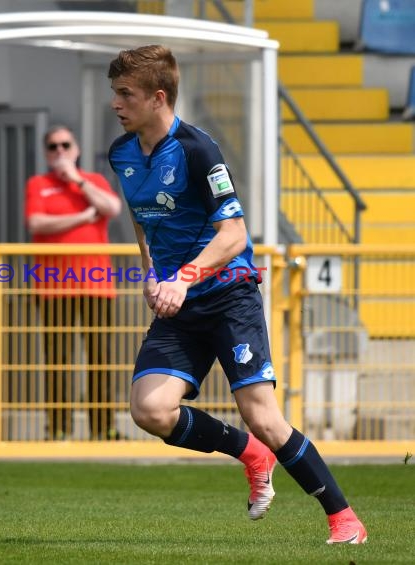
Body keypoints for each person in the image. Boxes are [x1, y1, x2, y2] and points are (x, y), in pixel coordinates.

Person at [107, 45, 367, 543]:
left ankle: (344, 517)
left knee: (264, 416)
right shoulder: (121, 152)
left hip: (228, 295)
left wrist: (182, 278)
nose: (116, 104)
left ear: (158, 98)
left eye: (125, 94)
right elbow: (143, 221)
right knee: (150, 411)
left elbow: (233, 235)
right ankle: (250, 454)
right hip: (178, 301)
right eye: (114, 93)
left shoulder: (197, 149)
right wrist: (150, 273)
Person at [25, 124, 123, 441]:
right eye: (53, 147)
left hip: (96, 284)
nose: (60, 152)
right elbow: (37, 223)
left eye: (66, 145)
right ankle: (57, 429)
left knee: (100, 358)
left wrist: (77, 181)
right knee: (58, 359)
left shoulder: (93, 181)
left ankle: (103, 428)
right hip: (53, 285)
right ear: (45, 153)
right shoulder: (38, 184)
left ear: (76, 149)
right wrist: (82, 217)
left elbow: (113, 208)